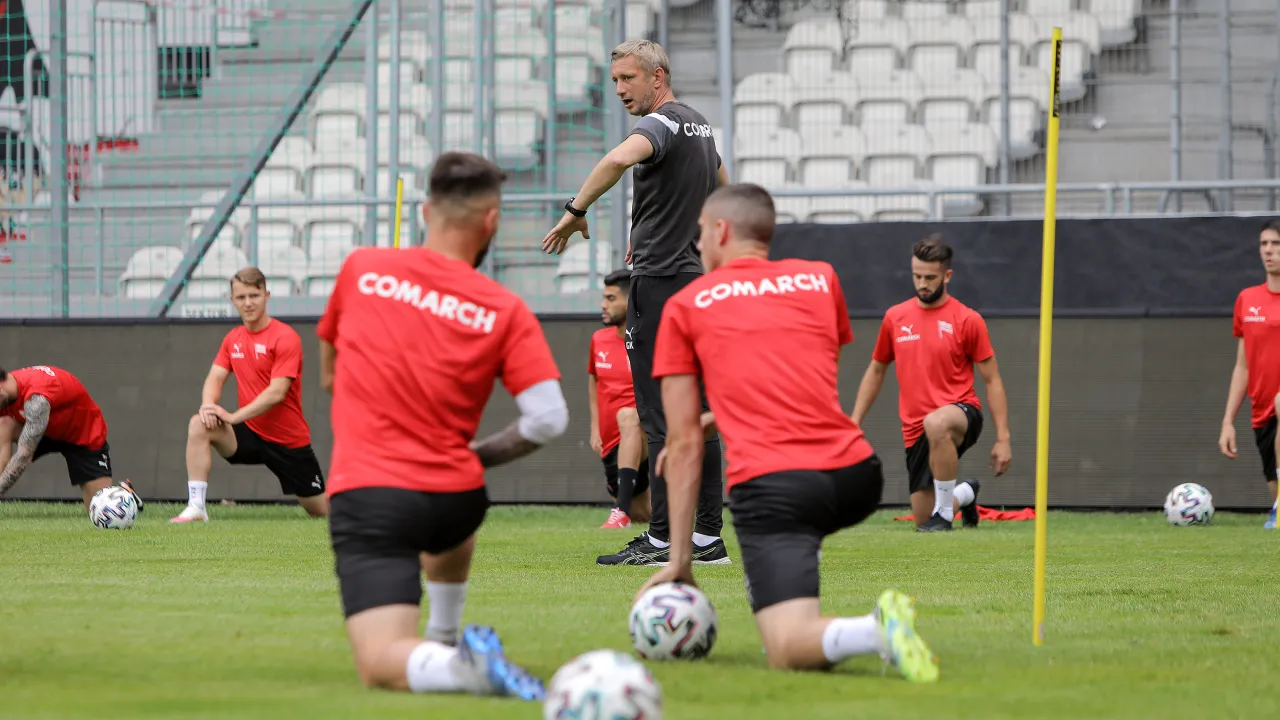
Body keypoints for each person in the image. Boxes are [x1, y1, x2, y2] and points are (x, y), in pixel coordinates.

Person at [639, 184, 938, 682]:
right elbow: (803, 371)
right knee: (795, 536)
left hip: (778, 486)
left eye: (699, 234)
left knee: (786, 648)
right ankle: (795, 567)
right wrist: (731, 413)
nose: (696, 246)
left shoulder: (686, 304)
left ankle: (876, 629)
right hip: (856, 476)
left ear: (721, 230)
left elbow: (685, 444)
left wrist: (681, 560)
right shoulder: (820, 278)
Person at [317, 152, 567, 700]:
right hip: (456, 499)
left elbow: (330, 367)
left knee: (380, 662)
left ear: (426, 211)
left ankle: (463, 668)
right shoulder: (504, 307)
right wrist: (476, 456)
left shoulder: (362, 268)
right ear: (491, 221)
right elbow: (549, 419)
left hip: (375, 492)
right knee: (450, 506)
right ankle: (446, 636)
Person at [541, 39, 730, 566]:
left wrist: (576, 209)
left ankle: (666, 538)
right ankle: (707, 538)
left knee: (660, 415)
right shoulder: (701, 127)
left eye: (628, 79)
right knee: (699, 414)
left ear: (658, 76)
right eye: (616, 80)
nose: (620, 90)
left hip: (662, 283)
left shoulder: (662, 125)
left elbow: (619, 157)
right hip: (695, 285)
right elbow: (726, 190)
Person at [851, 236, 1012, 532]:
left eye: (930, 277)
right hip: (915, 429)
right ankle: (964, 494)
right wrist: (854, 422)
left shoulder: (968, 319)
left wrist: (1003, 438)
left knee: (936, 423)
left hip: (961, 414)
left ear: (947, 276)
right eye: (917, 276)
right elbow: (876, 370)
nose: (922, 283)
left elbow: (993, 379)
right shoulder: (895, 317)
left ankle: (946, 516)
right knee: (924, 520)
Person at [171, 267, 327, 523]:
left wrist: (233, 417)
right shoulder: (233, 339)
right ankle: (196, 507)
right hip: (249, 433)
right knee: (199, 424)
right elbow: (215, 376)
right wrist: (208, 406)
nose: (248, 303)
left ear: (267, 295)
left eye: (254, 295)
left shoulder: (285, 337)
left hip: (288, 441)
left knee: (321, 511)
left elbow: (277, 392)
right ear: (232, 300)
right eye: (241, 297)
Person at [0, 364, 142, 513]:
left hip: (82, 435)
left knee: (101, 509)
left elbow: (24, 456)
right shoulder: (7, 390)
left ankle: (126, 494)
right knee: (4, 423)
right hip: (47, 429)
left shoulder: (37, 398)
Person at [1219, 219, 1280, 529]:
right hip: (1262, 410)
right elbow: (1242, 365)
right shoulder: (1248, 300)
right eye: (1264, 244)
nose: (1268, 251)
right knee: (1275, 485)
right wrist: (1228, 421)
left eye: (1276, 244)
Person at [591, 269, 653, 529]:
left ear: (629, 301)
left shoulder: (647, 339)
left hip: (641, 434)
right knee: (646, 516)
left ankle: (620, 510)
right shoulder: (598, 339)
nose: (603, 305)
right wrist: (595, 430)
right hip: (609, 444)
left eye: (611, 298)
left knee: (628, 417)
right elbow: (594, 383)